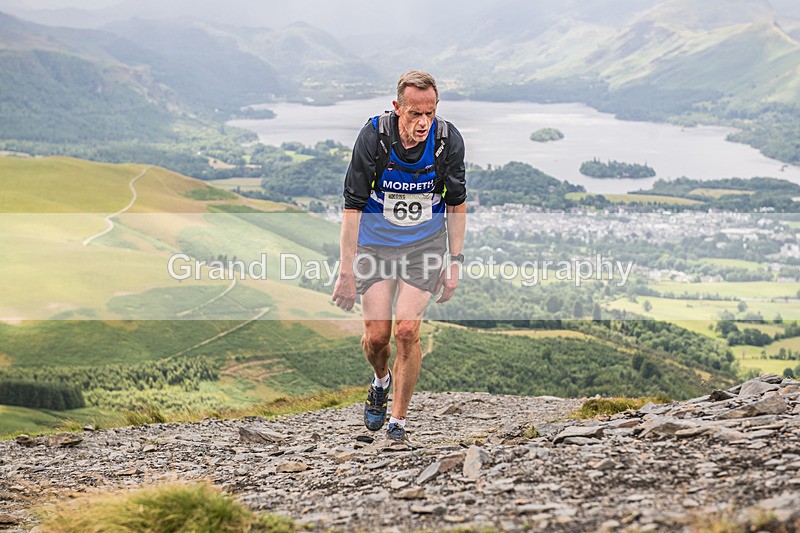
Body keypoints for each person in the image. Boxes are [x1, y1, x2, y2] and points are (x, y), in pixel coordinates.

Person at [332, 70, 467, 448]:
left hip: (424, 246)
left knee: (407, 330)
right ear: (397, 109)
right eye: (414, 114)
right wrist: (346, 271)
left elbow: (457, 204)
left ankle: (398, 423)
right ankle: (381, 380)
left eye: (430, 112)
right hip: (375, 246)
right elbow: (352, 209)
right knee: (377, 338)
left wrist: (454, 262)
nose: (424, 122)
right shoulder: (374, 137)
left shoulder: (447, 140)